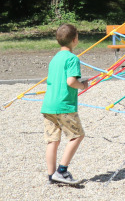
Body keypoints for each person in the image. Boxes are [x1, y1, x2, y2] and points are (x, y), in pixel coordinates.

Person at [41, 24, 88, 185]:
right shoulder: (72, 58)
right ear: (75, 40)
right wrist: (83, 86)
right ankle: (62, 170)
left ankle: (51, 176)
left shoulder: (54, 59)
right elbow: (71, 81)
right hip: (64, 106)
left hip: (48, 106)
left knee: (52, 140)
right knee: (77, 136)